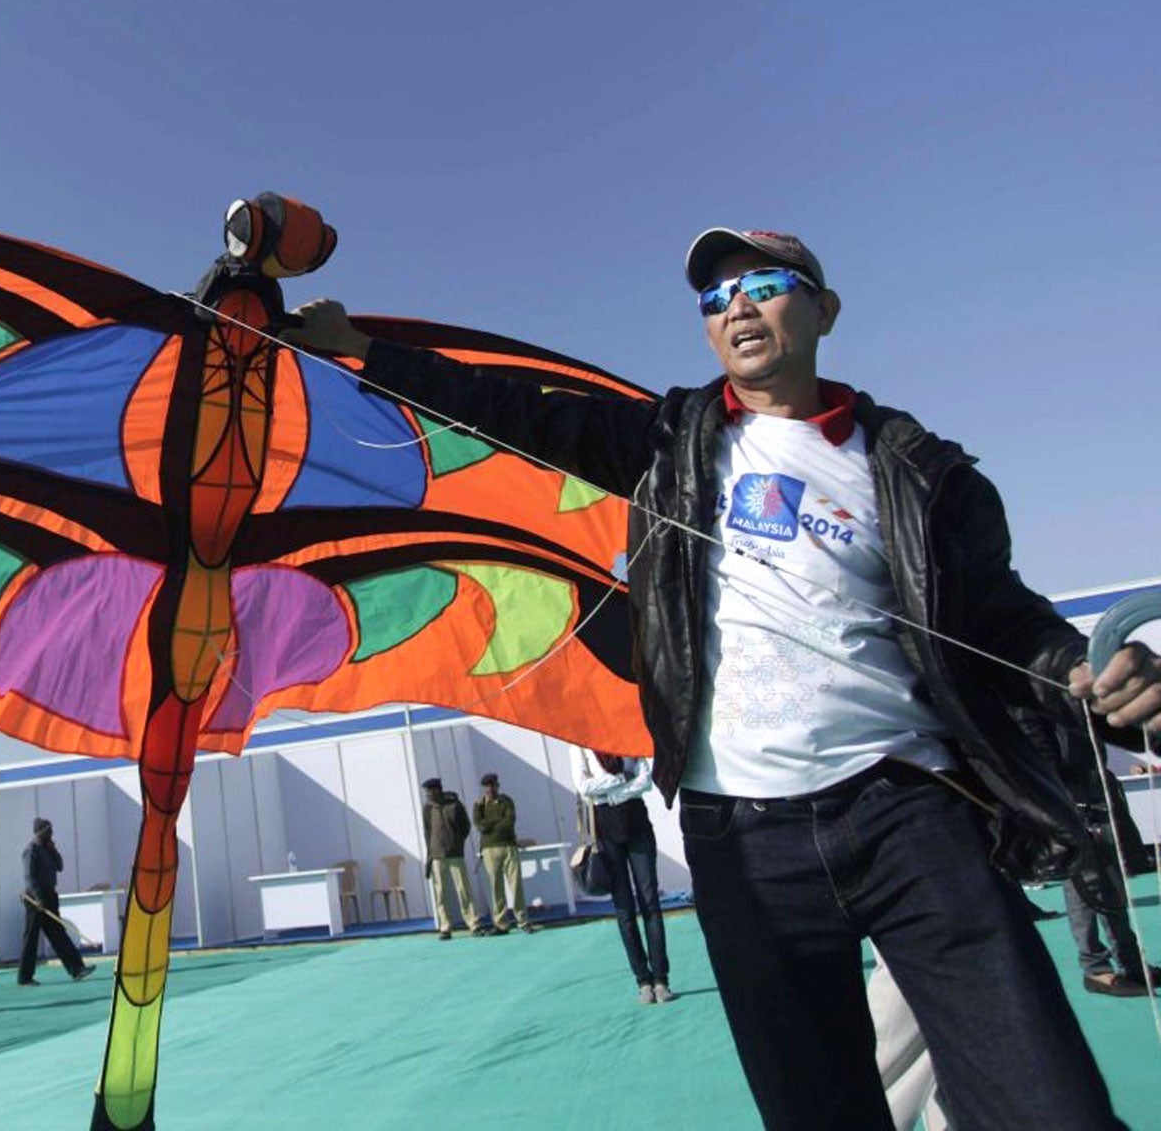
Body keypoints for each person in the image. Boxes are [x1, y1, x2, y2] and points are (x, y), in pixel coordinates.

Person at [296, 227, 1161, 1131]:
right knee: (816, 1111)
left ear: (823, 309)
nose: (737, 306)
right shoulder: (668, 440)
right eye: (716, 298)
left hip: (914, 815)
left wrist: (1082, 670)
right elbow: (506, 406)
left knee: (1046, 1102)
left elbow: (1002, 617)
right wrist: (361, 349)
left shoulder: (921, 470)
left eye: (765, 284)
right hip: (743, 837)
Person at [1019, 697, 1161, 998]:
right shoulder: (1028, 695)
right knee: (1084, 881)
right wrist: (1058, 792)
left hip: (1094, 784)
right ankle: (1096, 968)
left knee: (1111, 878)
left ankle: (1131, 961)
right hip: (1067, 793)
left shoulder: (1069, 694)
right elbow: (1036, 741)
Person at [572, 748, 672, 1003]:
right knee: (624, 909)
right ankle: (643, 981)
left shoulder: (624, 737)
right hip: (606, 830)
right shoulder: (579, 744)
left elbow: (645, 781)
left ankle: (661, 979)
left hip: (636, 822)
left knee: (650, 901)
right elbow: (584, 787)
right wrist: (619, 781)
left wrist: (612, 794)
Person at [16, 818, 95, 985]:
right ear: (40, 832)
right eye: (48, 831)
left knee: (58, 934)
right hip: (35, 898)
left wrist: (54, 851)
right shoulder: (31, 851)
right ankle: (24, 977)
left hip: (50, 895)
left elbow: (60, 866)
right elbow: (29, 877)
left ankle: (77, 969)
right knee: (31, 938)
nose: (51, 834)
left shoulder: (47, 849)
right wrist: (39, 898)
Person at [419, 778, 481, 938]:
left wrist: (457, 842)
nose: (427, 794)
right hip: (437, 855)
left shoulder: (455, 804)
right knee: (440, 893)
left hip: (455, 853)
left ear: (438, 790)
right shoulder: (427, 809)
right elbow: (427, 832)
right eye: (426, 792)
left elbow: (465, 826)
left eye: (430, 791)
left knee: (463, 890)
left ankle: (473, 924)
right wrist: (431, 853)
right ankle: (445, 927)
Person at [473, 774, 534, 934]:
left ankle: (522, 920)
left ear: (498, 786)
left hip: (508, 846)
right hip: (489, 849)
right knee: (495, 886)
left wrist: (490, 825)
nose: (490, 789)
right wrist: (495, 822)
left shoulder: (506, 801)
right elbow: (480, 826)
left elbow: (509, 822)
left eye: (492, 786)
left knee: (515, 885)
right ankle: (501, 923)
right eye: (487, 786)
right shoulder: (479, 805)